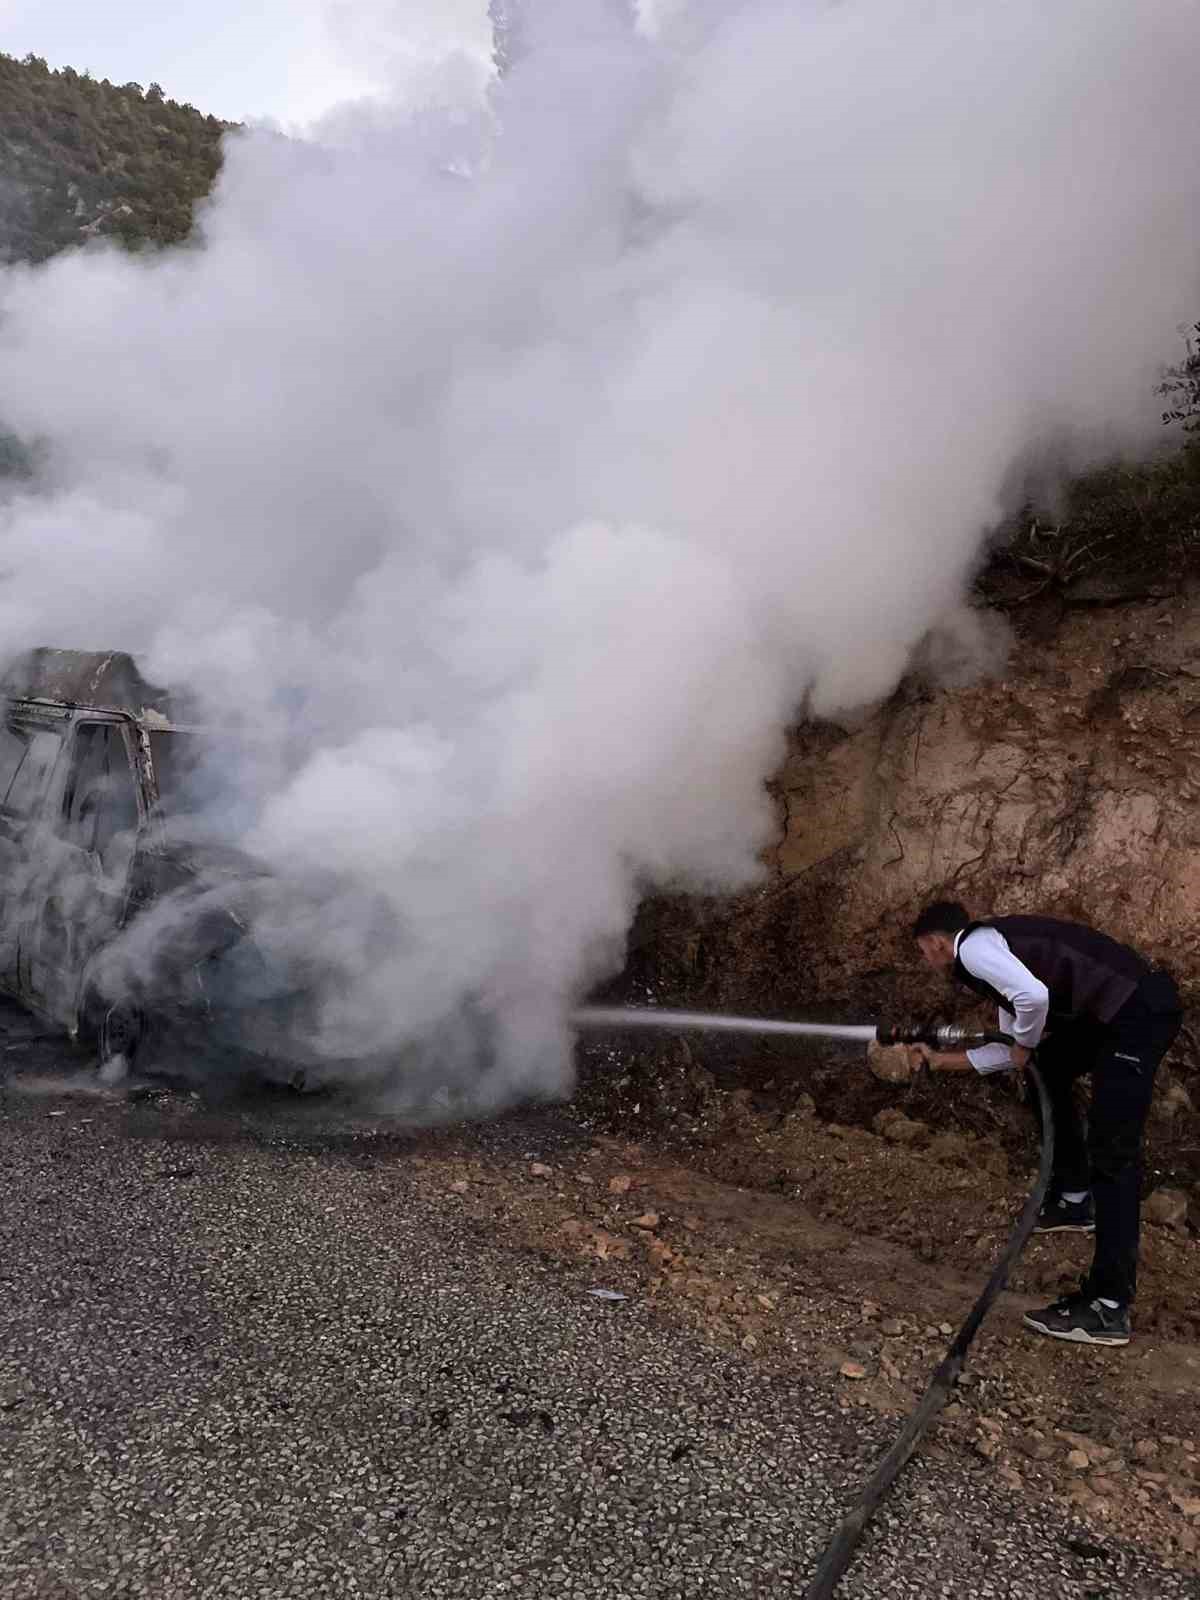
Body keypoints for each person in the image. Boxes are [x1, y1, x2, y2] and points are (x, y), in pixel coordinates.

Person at [908, 900, 1182, 1348]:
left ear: (937, 942)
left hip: (1136, 1013)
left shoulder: (975, 948)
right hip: (1123, 1010)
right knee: (1048, 1068)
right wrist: (943, 1062)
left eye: (923, 950)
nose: (926, 960)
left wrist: (1023, 1046)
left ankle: (1108, 1307)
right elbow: (1015, 1049)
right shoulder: (994, 962)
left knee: (1114, 1154)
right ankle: (1074, 1198)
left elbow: (1033, 1002)